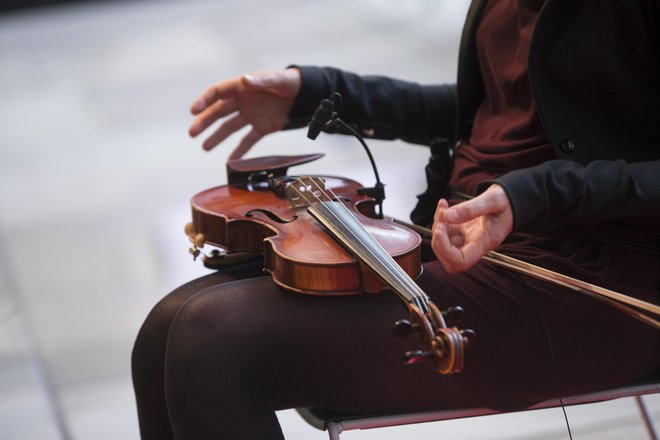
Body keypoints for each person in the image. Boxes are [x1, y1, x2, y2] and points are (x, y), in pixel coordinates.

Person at [132, 1, 660, 439]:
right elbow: (501, 111)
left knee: (212, 342)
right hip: (469, 237)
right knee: (164, 328)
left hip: (592, 281)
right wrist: (317, 91)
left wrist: (539, 189)